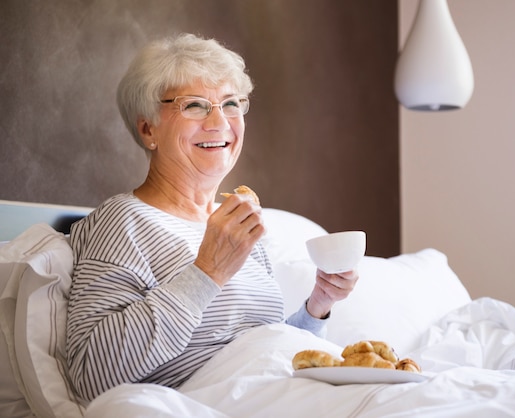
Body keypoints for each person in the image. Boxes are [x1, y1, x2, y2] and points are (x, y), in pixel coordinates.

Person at [66, 33, 359, 402]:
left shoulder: (237, 227)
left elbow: (261, 354)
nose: (220, 122)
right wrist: (207, 272)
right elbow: (91, 376)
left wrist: (317, 308)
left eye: (231, 103)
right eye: (195, 105)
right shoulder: (123, 222)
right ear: (148, 129)